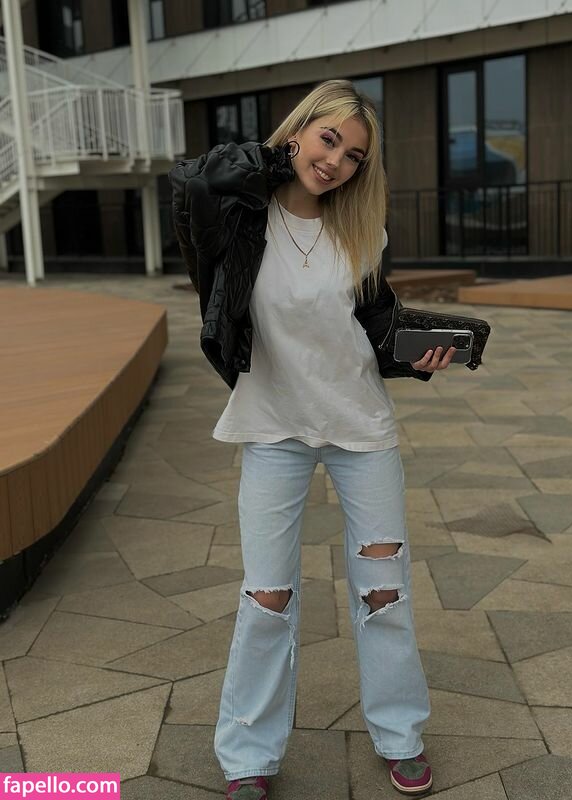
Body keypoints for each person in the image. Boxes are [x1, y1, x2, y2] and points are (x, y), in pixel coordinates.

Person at [169, 79, 456, 800]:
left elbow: (375, 326)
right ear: (297, 130)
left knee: (385, 592)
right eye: (328, 140)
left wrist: (417, 354)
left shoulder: (362, 232)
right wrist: (276, 161)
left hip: (361, 429)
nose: (336, 162)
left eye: (353, 156)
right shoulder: (238, 217)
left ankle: (400, 736)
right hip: (273, 427)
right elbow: (193, 181)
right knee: (266, 597)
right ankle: (248, 757)